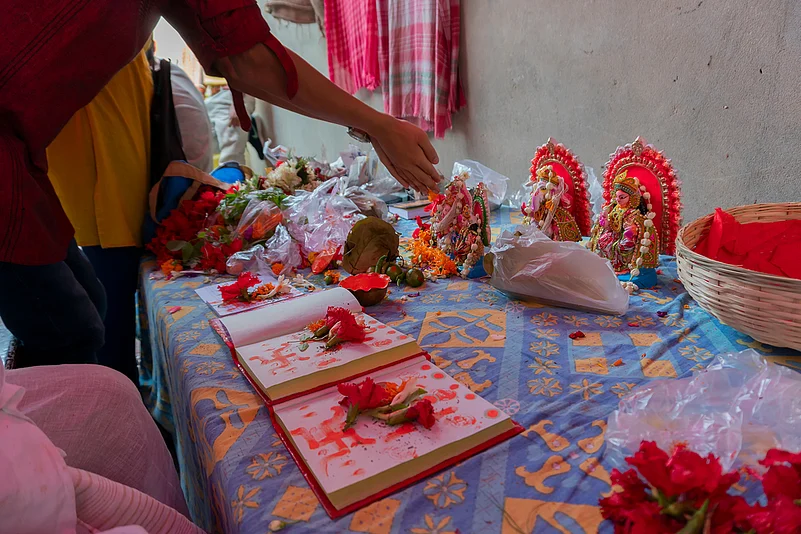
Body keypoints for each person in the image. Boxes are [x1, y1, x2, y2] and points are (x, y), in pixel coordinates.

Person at [1, 0, 440, 370]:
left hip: (23, 157)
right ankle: (66, 466)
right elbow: (247, 59)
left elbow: (240, 51)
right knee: (70, 332)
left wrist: (378, 127)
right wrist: (378, 126)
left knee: (87, 310)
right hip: (16, 163)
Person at [45, 50, 153, 382]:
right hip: (97, 192)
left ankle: (128, 405)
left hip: (119, 184)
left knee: (116, 324)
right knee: (108, 330)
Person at [205, 80, 255, 166]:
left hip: (231, 95)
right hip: (212, 97)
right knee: (200, 151)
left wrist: (237, 102)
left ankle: (232, 179)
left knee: (230, 158)